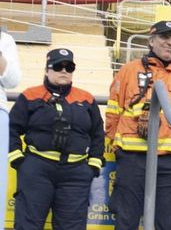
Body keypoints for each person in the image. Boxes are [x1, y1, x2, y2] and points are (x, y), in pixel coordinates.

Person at [106, 20, 171, 230]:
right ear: (151, 41)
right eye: (164, 37)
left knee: (168, 222)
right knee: (126, 219)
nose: (170, 42)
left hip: (169, 159)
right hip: (133, 156)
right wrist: (118, 147)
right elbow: (112, 113)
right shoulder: (128, 70)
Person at [9, 48, 103, 230]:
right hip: (37, 170)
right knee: (28, 224)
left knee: (72, 227)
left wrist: (93, 164)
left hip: (75, 174)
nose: (64, 71)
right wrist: (18, 160)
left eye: (69, 68)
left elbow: (97, 133)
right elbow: (11, 128)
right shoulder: (30, 95)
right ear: (47, 70)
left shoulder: (86, 99)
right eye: (58, 66)